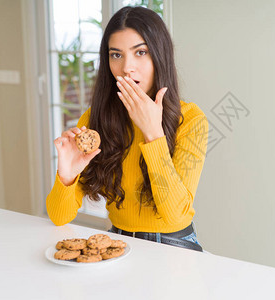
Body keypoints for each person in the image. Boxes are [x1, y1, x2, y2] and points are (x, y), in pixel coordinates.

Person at [46, 6, 208, 252]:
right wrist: (67, 176)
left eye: (140, 52)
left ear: (159, 55)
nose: (126, 68)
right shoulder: (94, 119)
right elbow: (59, 217)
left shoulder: (191, 120)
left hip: (175, 245)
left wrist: (153, 134)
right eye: (116, 55)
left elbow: (176, 216)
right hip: (118, 244)